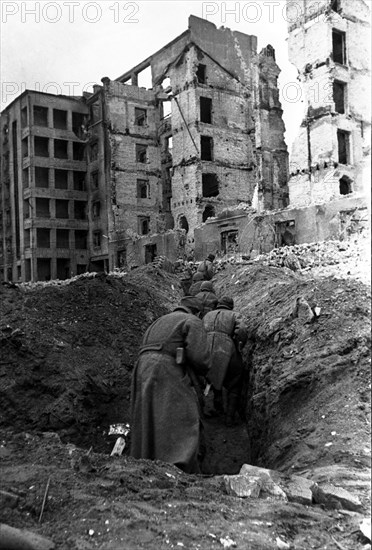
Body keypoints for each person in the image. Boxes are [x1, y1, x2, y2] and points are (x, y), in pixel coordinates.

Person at [130, 296, 210, 474]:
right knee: (182, 415)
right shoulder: (192, 320)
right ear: (197, 311)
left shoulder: (159, 321)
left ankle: (146, 459)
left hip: (142, 369)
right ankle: (178, 464)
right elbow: (200, 358)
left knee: (149, 416)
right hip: (165, 368)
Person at [203, 295, 248, 426]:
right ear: (231, 306)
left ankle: (216, 407)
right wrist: (240, 344)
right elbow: (242, 331)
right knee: (235, 382)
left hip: (206, 350)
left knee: (212, 378)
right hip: (226, 348)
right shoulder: (235, 315)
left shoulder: (207, 315)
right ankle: (229, 418)